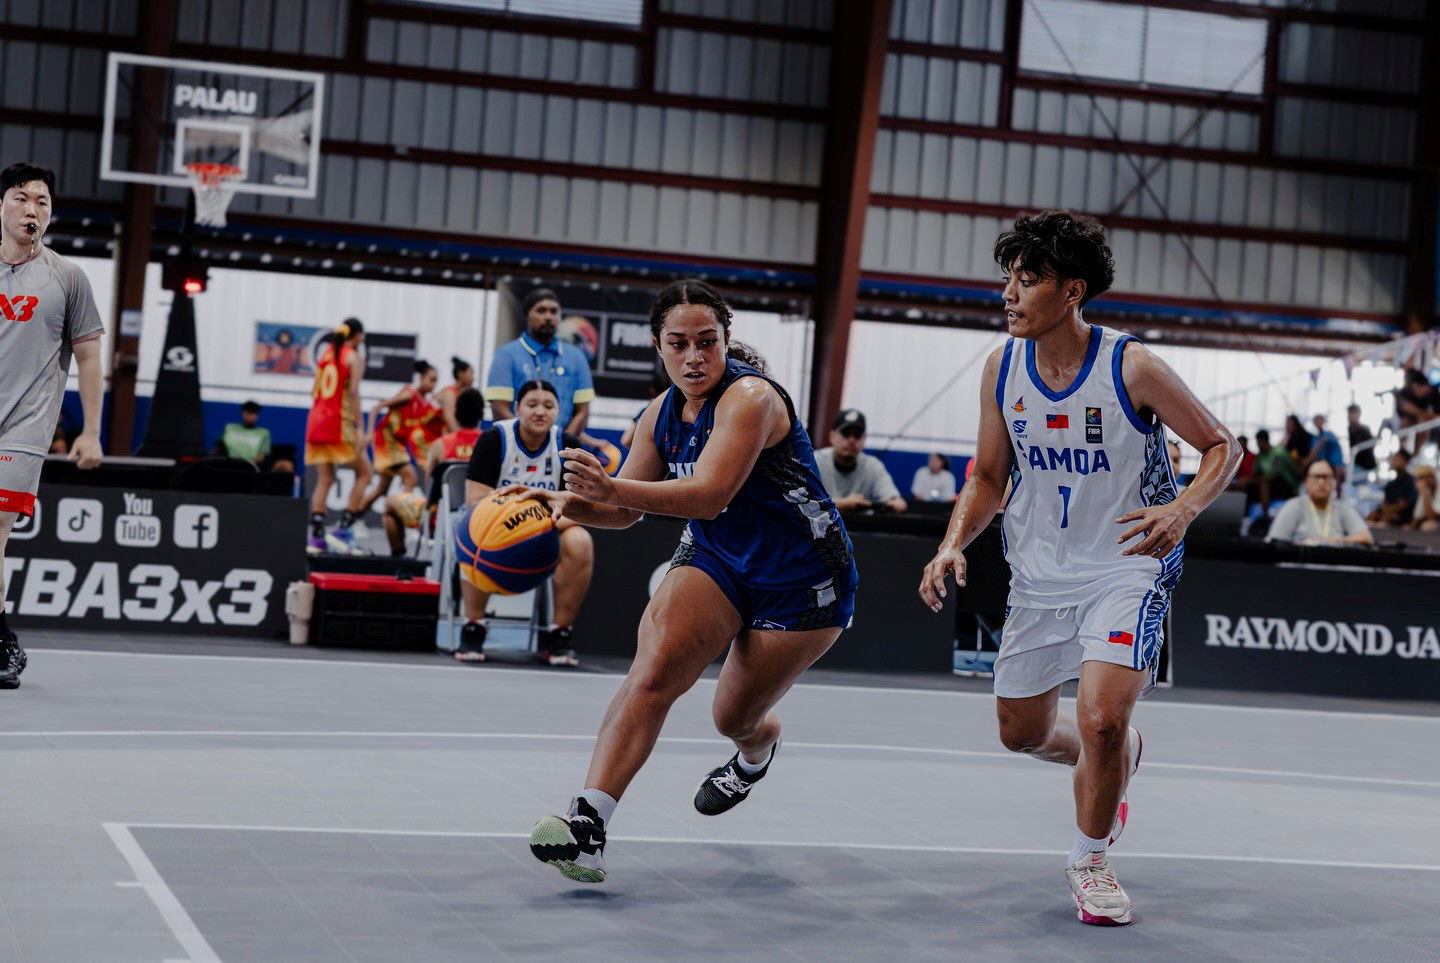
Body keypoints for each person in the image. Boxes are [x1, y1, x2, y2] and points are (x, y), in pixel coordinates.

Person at [918, 211, 1239, 927]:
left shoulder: (1133, 367)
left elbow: (1223, 446)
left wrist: (1182, 510)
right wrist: (951, 544)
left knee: (1099, 716)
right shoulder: (1003, 367)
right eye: (1008, 277)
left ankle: (1089, 856)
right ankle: (1118, 756)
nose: (1009, 293)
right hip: (1037, 572)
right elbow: (989, 476)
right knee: (1020, 731)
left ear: (1072, 291)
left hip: (1128, 565)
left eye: (1026, 280)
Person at [518, 279, 857, 884]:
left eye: (708, 341)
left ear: (727, 341)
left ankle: (755, 753)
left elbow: (709, 493)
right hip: (719, 559)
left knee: (733, 717)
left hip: (802, 579)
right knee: (652, 675)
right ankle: (588, 826)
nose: (695, 356)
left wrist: (610, 488)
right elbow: (624, 512)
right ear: (658, 346)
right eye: (679, 344)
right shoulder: (660, 414)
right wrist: (566, 504)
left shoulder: (750, 398)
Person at [0, 161, 106, 689]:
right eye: (21, 198)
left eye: (41, 201)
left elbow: (88, 358)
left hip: (24, 427)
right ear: (1, 206)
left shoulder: (68, 277)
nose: (32, 209)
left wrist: (90, 429)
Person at [455, 380, 594, 667]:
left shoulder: (568, 446)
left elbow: (581, 508)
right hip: (493, 528)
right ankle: (474, 625)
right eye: (532, 404)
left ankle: (559, 634)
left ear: (559, 411)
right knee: (478, 537)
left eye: (549, 406)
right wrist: (516, 528)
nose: (540, 411)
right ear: (517, 408)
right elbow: (476, 501)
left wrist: (534, 528)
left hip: (549, 532)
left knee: (581, 540)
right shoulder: (494, 439)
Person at [485, 287, 597, 441]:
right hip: (514, 449)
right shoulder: (505, 355)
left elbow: (582, 412)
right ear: (527, 316)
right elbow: (499, 410)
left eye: (554, 311)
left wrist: (559, 444)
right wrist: (529, 443)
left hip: (561, 451)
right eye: (541, 311)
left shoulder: (577, 357)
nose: (548, 317)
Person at [383, 387, 484, 556]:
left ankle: (399, 559)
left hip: (439, 520)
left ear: (456, 414)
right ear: (481, 415)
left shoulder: (440, 445)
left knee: (389, 504)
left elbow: (430, 488)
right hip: (480, 520)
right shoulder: (491, 443)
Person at [304, 318, 372, 555]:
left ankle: (317, 538)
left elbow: (313, 390)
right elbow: (353, 393)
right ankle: (343, 530)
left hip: (316, 422)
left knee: (325, 479)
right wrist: (361, 426)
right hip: (338, 423)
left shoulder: (325, 355)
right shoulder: (353, 357)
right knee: (365, 472)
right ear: (357, 335)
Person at [360, 361, 436, 515]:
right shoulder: (408, 395)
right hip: (386, 442)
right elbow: (377, 407)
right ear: (421, 378)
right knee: (410, 478)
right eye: (431, 379)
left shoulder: (426, 404)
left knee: (382, 489)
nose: (433, 385)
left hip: (397, 445)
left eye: (436, 381)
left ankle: (349, 521)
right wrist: (369, 433)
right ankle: (403, 517)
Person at [815, 408, 907, 513]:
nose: (852, 440)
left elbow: (899, 504)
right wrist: (843, 503)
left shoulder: (873, 466)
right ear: (832, 436)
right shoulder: (815, 461)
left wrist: (877, 505)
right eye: (846, 434)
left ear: (864, 439)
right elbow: (803, 502)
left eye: (857, 435)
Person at [1266, 460, 1373, 546]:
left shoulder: (1342, 508)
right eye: (1316, 477)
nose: (1321, 482)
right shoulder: (1294, 506)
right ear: (1305, 481)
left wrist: (1333, 540)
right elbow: (1274, 541)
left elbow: (1366, 538)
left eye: (1326, 477)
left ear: (1334, 482)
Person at [1368, 449, 1418, 527]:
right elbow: (1385, 502)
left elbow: (1403, 505)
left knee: (1388, 517)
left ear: (1405, 462)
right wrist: (1385, 511)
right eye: (1394, 458)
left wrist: (1388, 512)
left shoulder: (1411, 481)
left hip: (1404, 516)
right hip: (1389, 512)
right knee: (1373, 514)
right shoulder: (1391, 483)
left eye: (1397, 458)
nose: (1393, 461)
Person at [437, 356, 476, 433]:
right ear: (460, 374)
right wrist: (464, 439)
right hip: (425, 437)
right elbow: (450, 421)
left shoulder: (459, 394)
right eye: (471, 373)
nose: (473, 378)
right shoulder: (449, 393)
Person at [1305, 414, 1345, 482]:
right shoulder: (1314, 439)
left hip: (1334, 466)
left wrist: (1339, 465)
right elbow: (1313, 453)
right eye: (1316, 422)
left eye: (1319, 421)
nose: (1318, 423)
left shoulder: (1329, 435)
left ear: (1323, 422)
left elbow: (1337, 451)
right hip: (1321, 467)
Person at [1347, 404, 1377, 474]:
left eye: (1351, 413)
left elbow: (1370, 446)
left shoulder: (1364, 429)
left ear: (1358, 414)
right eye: (1349, 413)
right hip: (1356, 464)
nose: (1348, 416)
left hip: (1365, 465)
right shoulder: (1350, 428)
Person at [1412, 464, 1439, 531]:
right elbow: (1417, 516)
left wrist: (1425, 494)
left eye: (1422, 477)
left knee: (1429, 526)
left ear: (1431, 476)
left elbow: (1432, 517)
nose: (1419, 481)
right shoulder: (1427, 489)